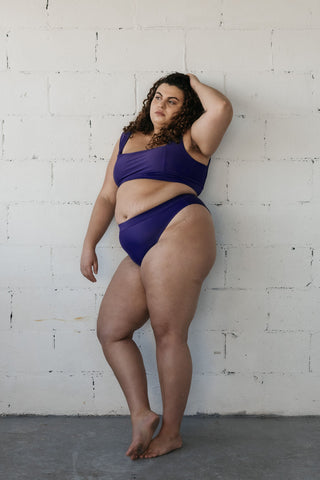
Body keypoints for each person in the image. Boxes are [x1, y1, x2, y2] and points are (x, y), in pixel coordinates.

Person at [80, 72, 233, 460]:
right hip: (138, 247)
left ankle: (172, 433)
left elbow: (222, 108)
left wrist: (192, 81)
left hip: (179, 228)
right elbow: (105, 196)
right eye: (158, 97)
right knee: (112, 331)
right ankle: (142, 414)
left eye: (173, 101)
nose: (161, 105)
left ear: (187, 109)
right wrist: (89, 243)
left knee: (168, 333)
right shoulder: (127, 138)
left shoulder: (193, 139)